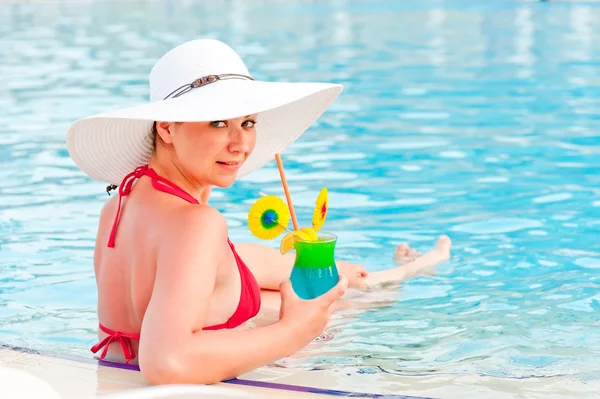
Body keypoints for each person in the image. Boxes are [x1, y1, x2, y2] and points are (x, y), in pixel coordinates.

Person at [66, 39, 451, 385]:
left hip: (114, 371)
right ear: (166, 128)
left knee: (338, 282)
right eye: (218, 123)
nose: (241, 144)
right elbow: (167, 363)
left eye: (248, 123)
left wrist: (328, 267)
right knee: (345, 302)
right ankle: (413, 269)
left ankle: (403, 270)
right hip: (182, 380)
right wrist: (294, 331)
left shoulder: (123, 200)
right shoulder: (197, 223)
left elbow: (207, 265)